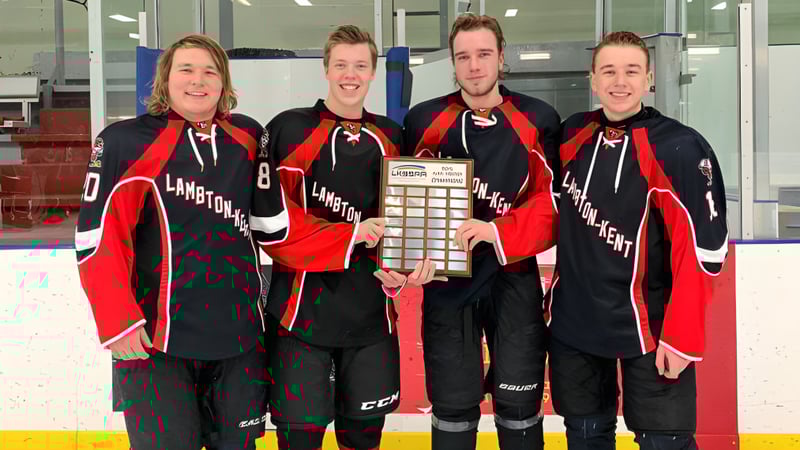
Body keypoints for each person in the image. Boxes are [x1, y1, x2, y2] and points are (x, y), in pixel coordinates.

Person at [75, 34, 290, 450]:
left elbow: (274, 226)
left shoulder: (248, 136)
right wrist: (118, 321)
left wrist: (360, 238)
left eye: (210, 70)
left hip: (239, 339)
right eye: (186, 69)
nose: (198, 80)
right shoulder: (124, 142)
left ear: (224, 83)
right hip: (154, 344)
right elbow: (96, 238)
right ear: (165, 79)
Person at [249, 25, 438, 450]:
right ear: (326, 69)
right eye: (340, 65)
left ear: (373, 73)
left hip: (371, 319)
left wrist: (403, 268)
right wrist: (351, 235)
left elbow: (403, 222)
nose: (350, 75)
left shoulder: (393, 135)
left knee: (364, 439)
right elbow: (271, 227)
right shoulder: (289, 129)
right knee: (300, 440)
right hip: (299, 318)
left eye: (360, 65)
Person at [547, 31, 729, 450]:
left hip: (653, 329)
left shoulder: (679, 146)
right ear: (593, 79)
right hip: (575, 325)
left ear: (649, 79)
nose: (619, 81)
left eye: (631, 71)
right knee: (585, 437)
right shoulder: (573, 134)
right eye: (608, 71)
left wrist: (683, 337)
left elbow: (706, 251)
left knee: (666, 441)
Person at [403, 14, 561, 450]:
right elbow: (403, 200)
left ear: (501, 57)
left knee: (519, 408)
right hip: (447, 284)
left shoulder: (538, 118)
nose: (474, 66)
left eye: (484, 55)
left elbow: (553, 205)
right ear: (453, 63)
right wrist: (405, 256)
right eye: (464, 57)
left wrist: (497, 230)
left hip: (514, 281)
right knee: (452, 410)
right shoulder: (424, 120)